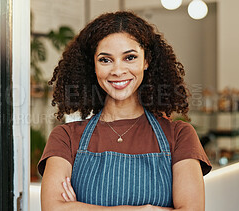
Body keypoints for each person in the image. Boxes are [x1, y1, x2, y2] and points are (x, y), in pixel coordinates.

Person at [38, 11, 212, 211]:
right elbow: (53, 208)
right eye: (105, 60)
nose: (118, 70)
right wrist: (145, 209)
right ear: (92, 66)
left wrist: (79, 207)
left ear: (146, 61)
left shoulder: (180, 135)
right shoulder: (65, 138)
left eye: (129, 57)